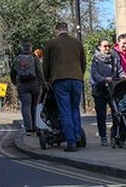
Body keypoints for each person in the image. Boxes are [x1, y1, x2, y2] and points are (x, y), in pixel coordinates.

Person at [43, 21, 86, 152]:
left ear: (56, 31)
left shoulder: (51, 44)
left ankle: (71, 142)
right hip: (77, 79)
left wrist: (46, 80)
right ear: (67, 29)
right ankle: (78, 137)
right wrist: (79, 74)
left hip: (60, 79)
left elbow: (46, 66)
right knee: (75, 109)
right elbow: (83, 63)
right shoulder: (77, 43)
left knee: (65, 111)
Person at [9, 42, 45, 134]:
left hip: (23, 86)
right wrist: (43, 82)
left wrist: (15, 82)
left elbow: (12, 72)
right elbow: (39, 71)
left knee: (25, 106)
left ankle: (28, 128)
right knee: (35, 106)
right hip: (36, 86)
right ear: (30, 48)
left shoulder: (17, 59)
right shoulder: (35, 58)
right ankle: (35, 126)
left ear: (22, 48)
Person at [90, 38, 120, 145]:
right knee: (101, 115)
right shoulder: (96, 59)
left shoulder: (114, 58)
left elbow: (119, 70)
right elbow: (94, 74)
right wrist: (104, 79)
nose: (107, 48)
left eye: (109, 46)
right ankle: (103, 136)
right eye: (105, 46)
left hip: (112, 90)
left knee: (116, 113)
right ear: (99, 47)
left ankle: (114, 134)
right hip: (100, 90)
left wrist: (123, 76)